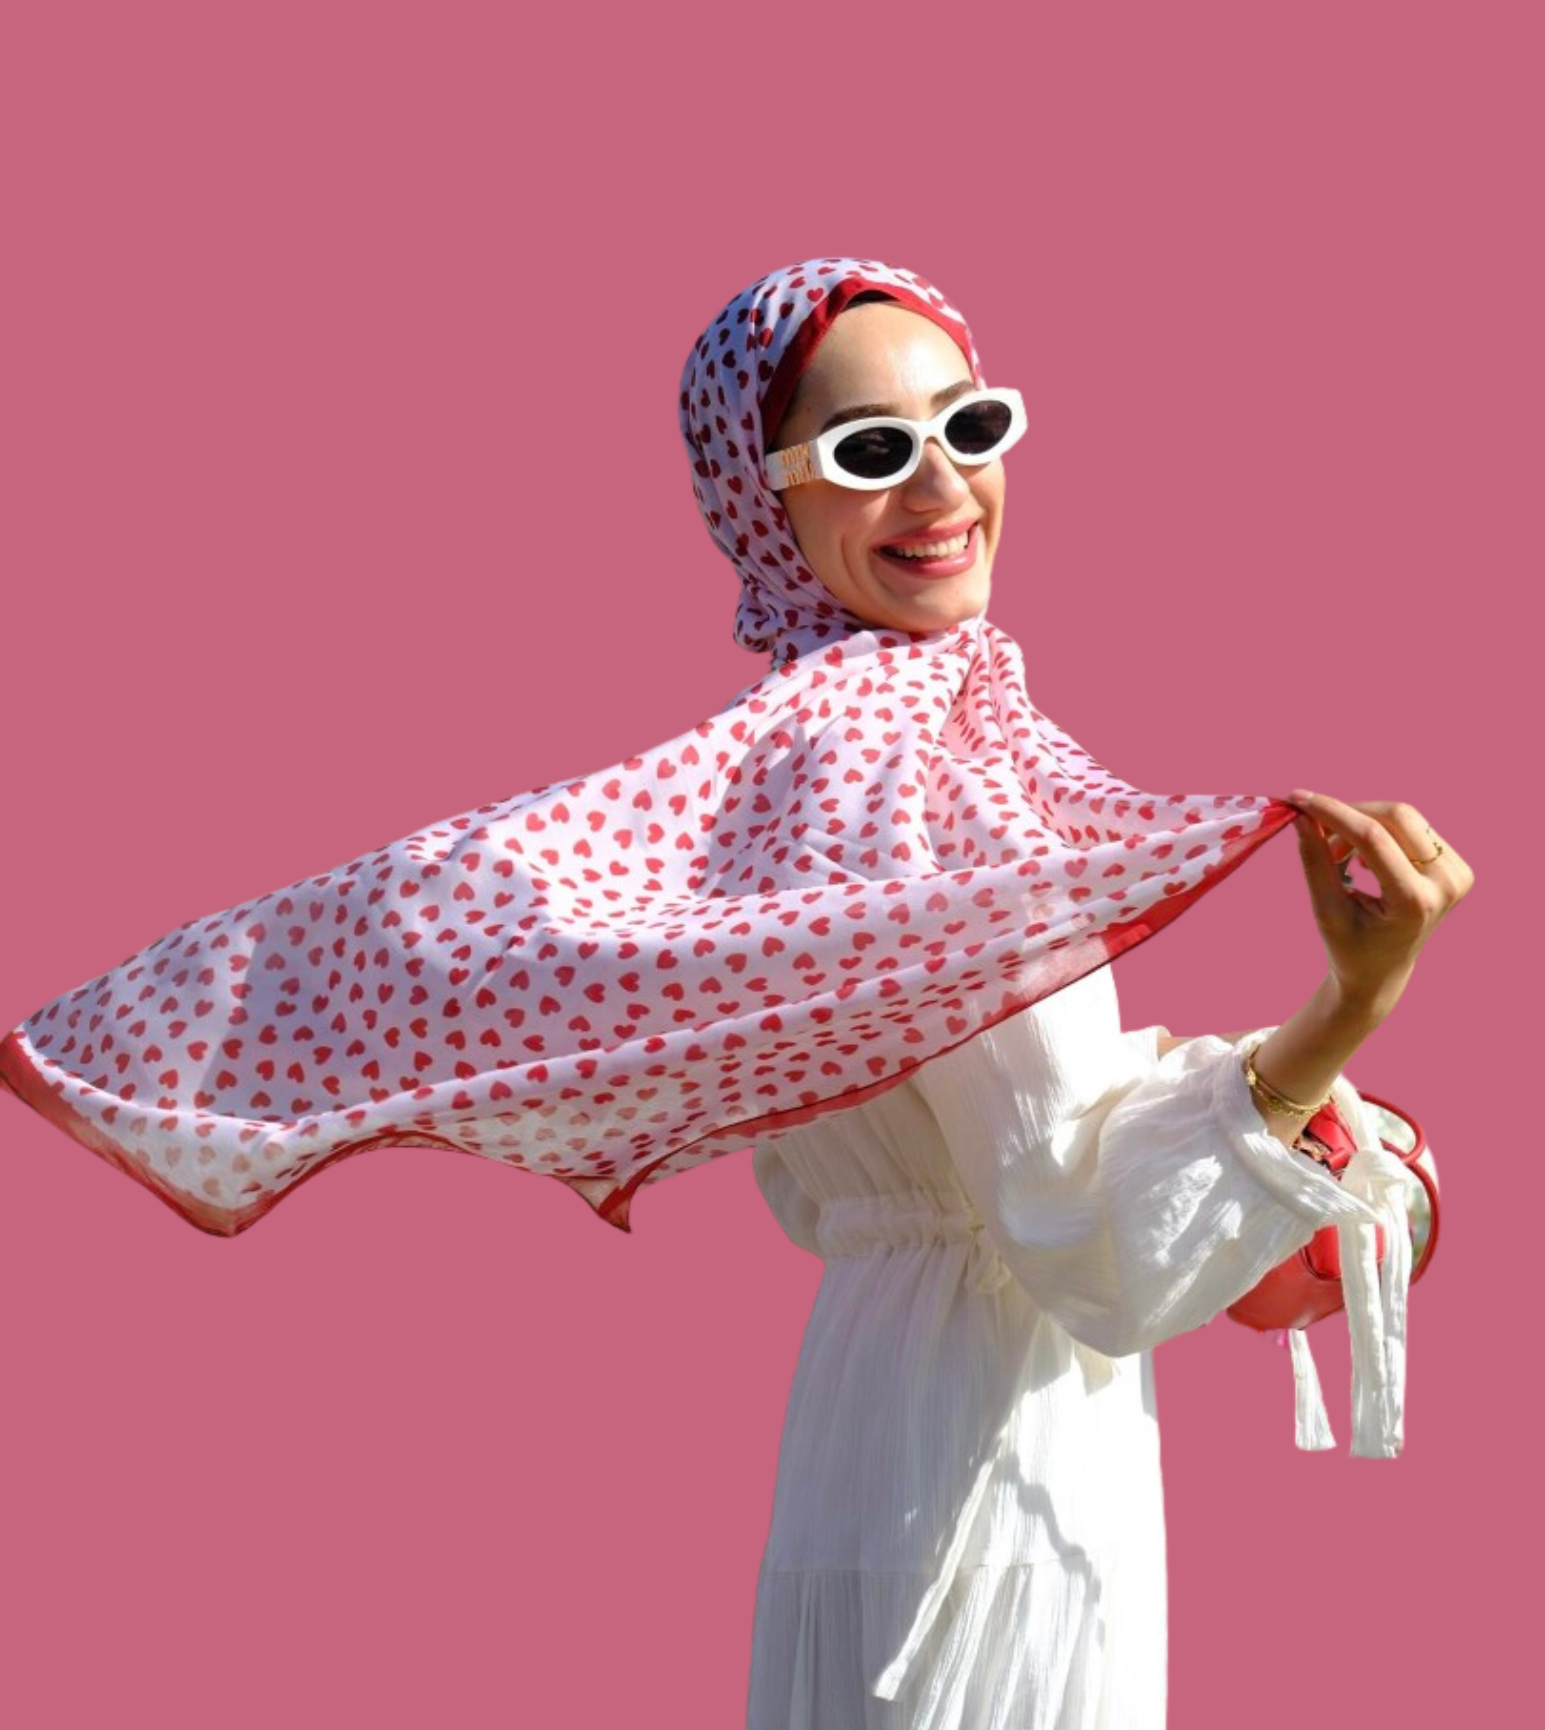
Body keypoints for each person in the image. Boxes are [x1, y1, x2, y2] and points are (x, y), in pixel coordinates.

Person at [0, 255, 1471, 1729]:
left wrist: (1216, 1106)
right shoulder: (930, 780)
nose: (942, 486)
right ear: (759, 502)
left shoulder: (769, 780)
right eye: (871, 451)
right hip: (997, 1468)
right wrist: (1342, 1014)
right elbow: (1087, 1245)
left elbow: (917, 1139)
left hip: (873, 1425)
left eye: (970, 425)